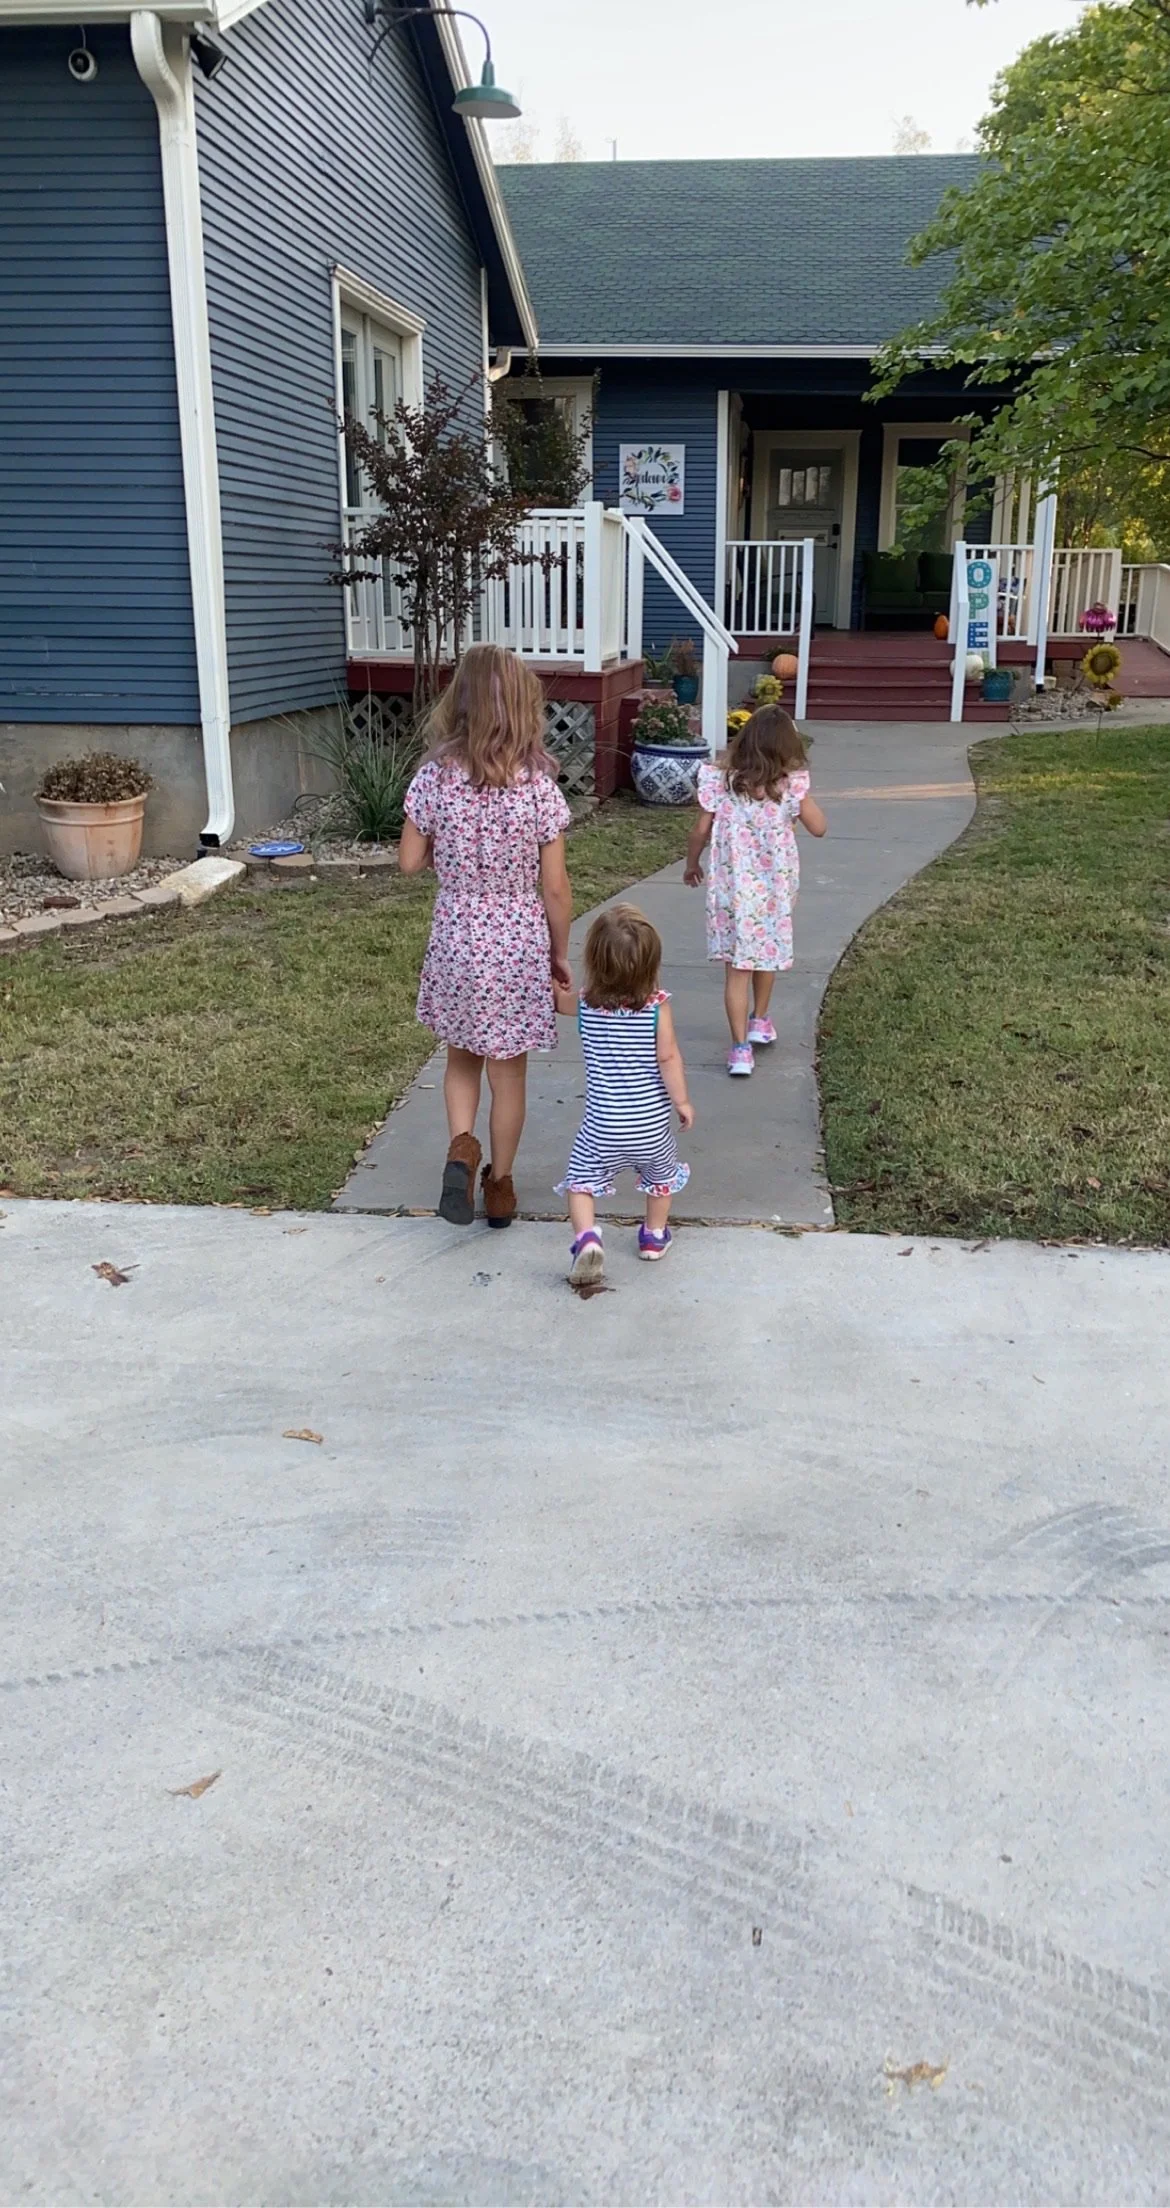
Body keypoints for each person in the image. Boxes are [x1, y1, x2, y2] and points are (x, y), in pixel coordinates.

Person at [398, 643, 573, 1228]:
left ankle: (460, 1148)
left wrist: (447, 847)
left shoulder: (434, 778)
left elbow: (407, 861)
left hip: (456, 933)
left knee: (461, 1059)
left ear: (460, 704)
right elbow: (554, 887)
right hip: (518, 938)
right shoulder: (539, 787)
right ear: (523, 707)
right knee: (510, 1073)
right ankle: (500, 1186)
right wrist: (559, 952)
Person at [683, 704, 826, 1076]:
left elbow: (700, 831)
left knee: (737, 970)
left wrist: (692, 864)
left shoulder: (720, 781)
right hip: (774, 893)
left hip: (732, 894)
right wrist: (798, 801)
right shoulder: (789, 785)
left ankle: (740, 1049)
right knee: (767, 952)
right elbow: (819, 827)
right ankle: (760, 1018)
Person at [555, 903, 694, 1286]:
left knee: (581, 1181)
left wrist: (550, 975)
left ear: (594, 961)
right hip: (650, 1125)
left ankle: (586, 1239)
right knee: (660, 1177)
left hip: (602, 1125)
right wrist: (681, 1101)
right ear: (651, 964)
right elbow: (668, 1057)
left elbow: (556, 1000)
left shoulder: (584, 1005)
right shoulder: (656, 1010)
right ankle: (653, 1236)